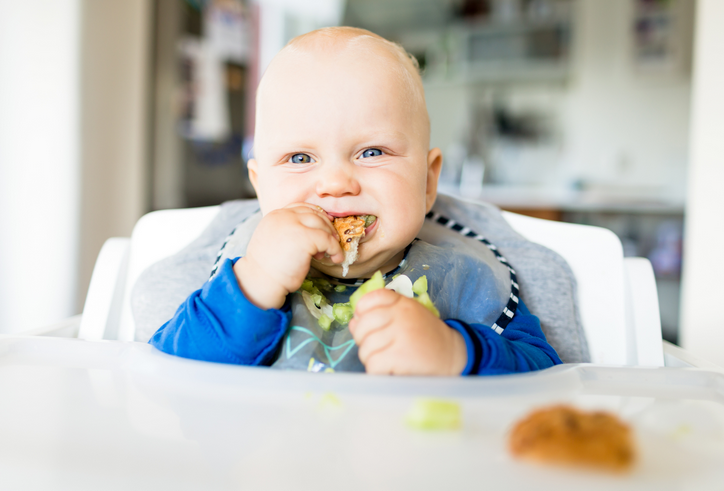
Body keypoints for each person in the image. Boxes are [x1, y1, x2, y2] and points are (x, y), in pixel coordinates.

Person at [149, 27, 563, 375]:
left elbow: (544, 373)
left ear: (426, 182)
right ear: (261, 188)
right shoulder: (240, 274)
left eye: (371, 152)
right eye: (299, 158)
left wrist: (456, 353)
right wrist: (256, 283)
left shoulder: (464, 277)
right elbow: (171, 373)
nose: (335, 183)